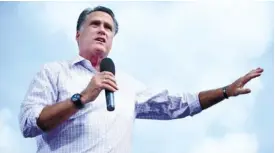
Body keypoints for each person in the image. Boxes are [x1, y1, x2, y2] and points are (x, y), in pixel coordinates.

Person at [19, 5, 264, 153]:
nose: (102, 30)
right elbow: (29, 124)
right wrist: (81, 98)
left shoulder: (127, 85)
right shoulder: (54, 72)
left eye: (108, 28)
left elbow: (177, 105)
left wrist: (224, 91)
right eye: (95, 24)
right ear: (78, 34)